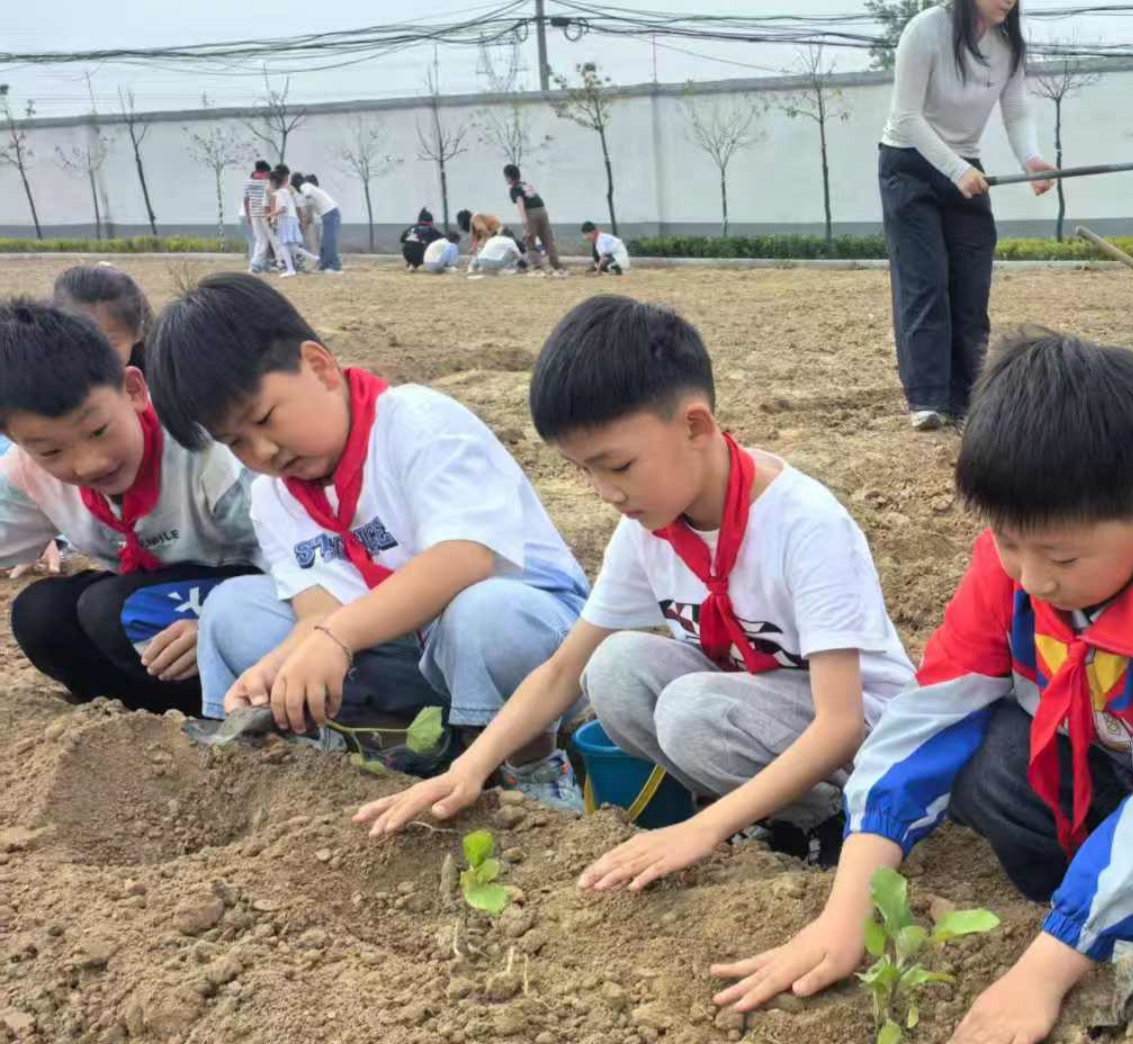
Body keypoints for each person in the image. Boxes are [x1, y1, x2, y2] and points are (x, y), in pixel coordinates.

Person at [714, 332, 1133, 1041]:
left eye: (1061, 557)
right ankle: (1123, 910)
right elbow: (926, 719)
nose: (1032, 579)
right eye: (1007, 543)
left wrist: (1040, 975)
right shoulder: (1016, 567)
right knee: (982, 758)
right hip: (1118, 748)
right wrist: (847, 909)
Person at [355, 296, 917, 875]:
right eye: (585, 471)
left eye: (617, 466)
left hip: (872, 738)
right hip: (754, 709)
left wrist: (701, 830)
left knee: (691, 711)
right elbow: (562, 671)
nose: (606, 491)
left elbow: (840, 723)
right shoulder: (650, 527)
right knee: (614, 668)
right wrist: (466, 770)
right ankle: (774, 810)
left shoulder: (803, 523)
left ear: (695, 425)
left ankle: (825, 820)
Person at [144, 274, 591, 801]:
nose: (261, 452)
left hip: (536, 645)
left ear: (318, 366)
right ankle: (280, 761)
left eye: (264, 419)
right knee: (234, 608)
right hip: (413, 657)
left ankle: (531, 772)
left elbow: (462, 559)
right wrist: (280, 664)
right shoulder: (276, 493)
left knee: (485, 614)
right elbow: (318, 609)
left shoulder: (418, 422)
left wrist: (333, 638)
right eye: (235, 442)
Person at [0, 298, 259, 714]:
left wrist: (221, 624)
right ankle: (147, 713)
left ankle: (222, 707)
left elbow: (301, 562)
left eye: (99, 430)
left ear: (134, 390)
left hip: (256, 593)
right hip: (156, 601)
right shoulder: (25, 474)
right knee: (40, 615)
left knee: (112, 610)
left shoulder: (207, 450)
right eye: (50, 450)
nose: (89, 463)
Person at [880, 0, 1056, 432]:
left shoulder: (1007, 45)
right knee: (926, 282)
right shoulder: (926, 31)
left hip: (965, 167)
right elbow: (908, 117)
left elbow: (1016, 110)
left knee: (971, 285)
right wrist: (956, 170)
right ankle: (929, 398)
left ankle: (968, 396)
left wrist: (1032, 159)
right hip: (910, 164)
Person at [53, 263, 151, 369]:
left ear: (138, 333)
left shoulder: (155, 381)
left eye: (110, 346)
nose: (94, 359)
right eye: (80, 345)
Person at [504, 164, 563, 275]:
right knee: (547, 240)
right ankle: (556, 265)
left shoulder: (514, 189)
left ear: (508, 177)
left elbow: (520, 202)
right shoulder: (526, 185)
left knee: (530, 241)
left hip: (531, 213)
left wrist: (525, 223)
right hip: (542, 211)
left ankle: (537, 267)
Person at [266, 171, 317, 279]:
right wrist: (274, 216)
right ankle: (315, 259)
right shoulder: (285, 191)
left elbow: (283, 208)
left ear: (274, 182)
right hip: (291, 220)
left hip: (287, 220)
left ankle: (290, 269)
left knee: (284, 245)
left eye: (270, 182)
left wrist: (271, 214)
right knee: (293, 247)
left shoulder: (280, 193)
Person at [295, 174, 344, 275]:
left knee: (329, 241)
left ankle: (335, 267)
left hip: (331, 213)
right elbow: (309, 217)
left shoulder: (305, 186)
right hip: (327, 215)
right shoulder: (306, 196)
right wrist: (302, 228)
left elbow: (307, 194)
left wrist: (306, 197)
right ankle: (324, 266)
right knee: (324, 242)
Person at [242, 161, 272, 274]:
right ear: (265, 172)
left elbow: (246, 200)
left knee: (259, 240)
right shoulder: (267, 183)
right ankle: (255, 265)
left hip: (254, 214)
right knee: (264, 241)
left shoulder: (248, 182)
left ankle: (257, 266)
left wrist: (248, 215)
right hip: (264, 214)